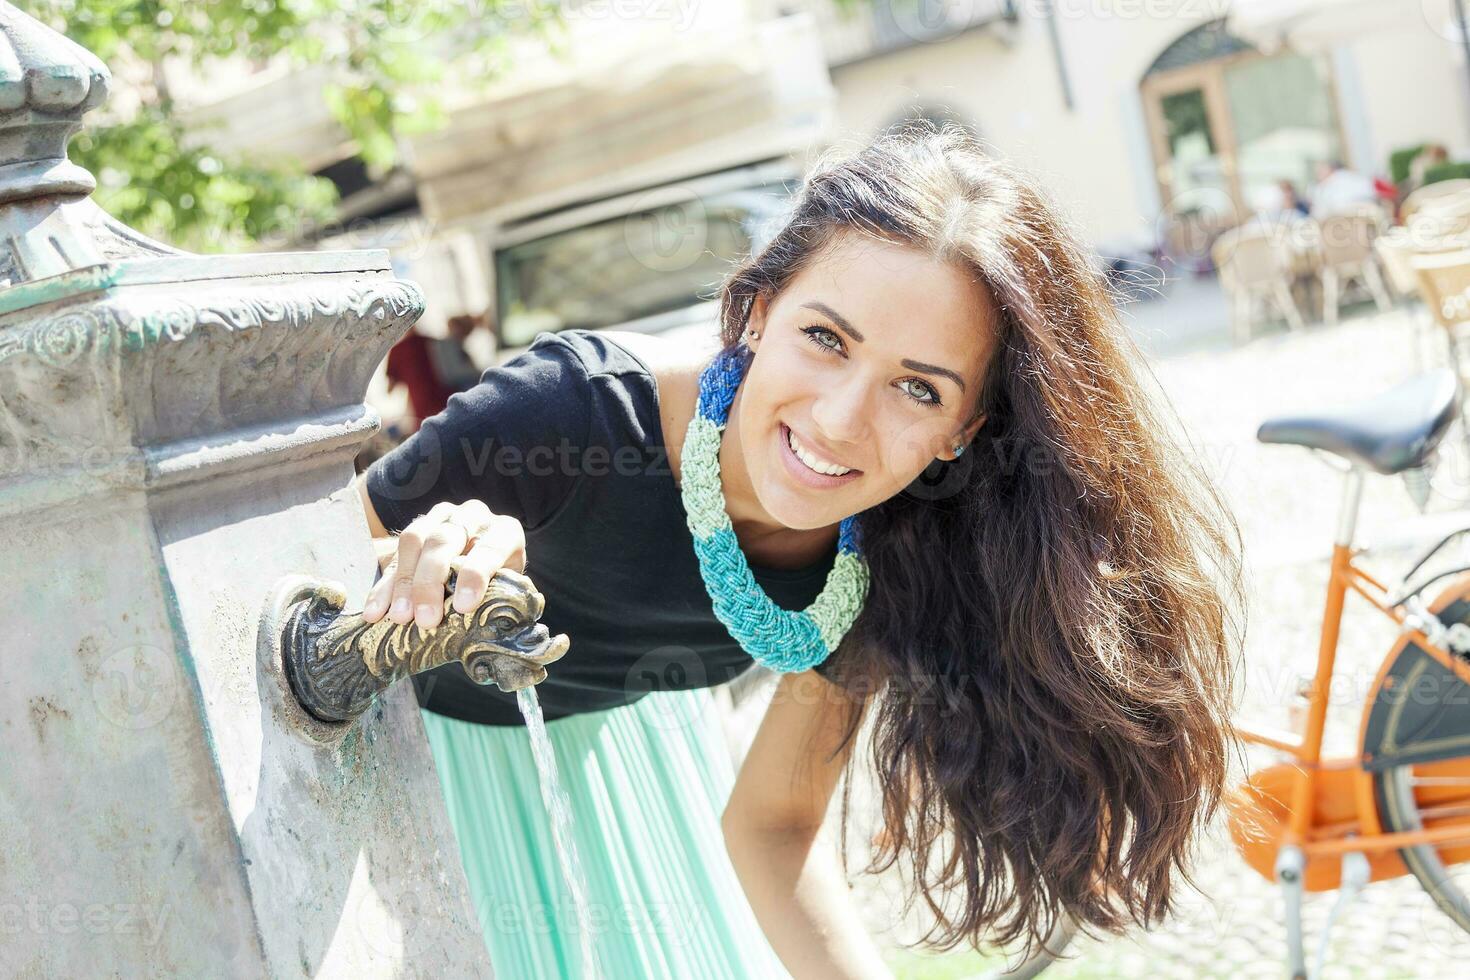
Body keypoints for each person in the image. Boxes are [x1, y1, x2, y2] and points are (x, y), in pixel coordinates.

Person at [354, 123, 1245, 978]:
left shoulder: (886, 554)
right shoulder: (564, 412)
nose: (840, 420)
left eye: (918, 389)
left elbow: (775, 824)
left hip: (642, 797)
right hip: (405, 797)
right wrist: (427, 551)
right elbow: (276, 576)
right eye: (826, 339)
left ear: (963, 431)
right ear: (757, 309)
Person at [1309, 158, 1381, 217]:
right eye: (1318, 172)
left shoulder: (1342, 178)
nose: (1319, 174)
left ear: (1330, 169)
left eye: (1321, 170)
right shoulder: (1318, 189)